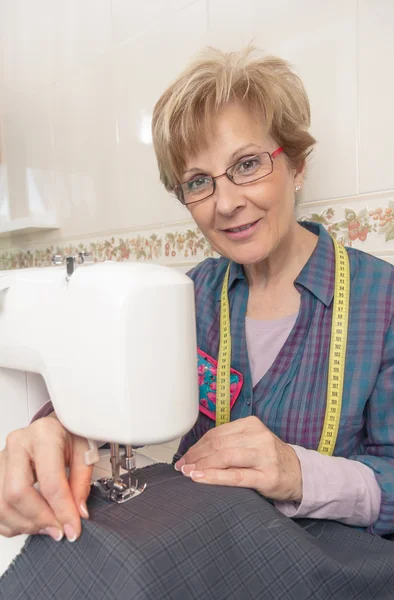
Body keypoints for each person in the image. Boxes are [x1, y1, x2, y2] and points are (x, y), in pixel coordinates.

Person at [0, 46, 393, 545]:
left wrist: (298, 472)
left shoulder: (383, 302)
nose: (226, 203)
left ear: (296, 164)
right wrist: (59, 426)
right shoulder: (189, 299)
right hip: (208, 557)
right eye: (199, 182)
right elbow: (119, 381)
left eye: (248, 164)